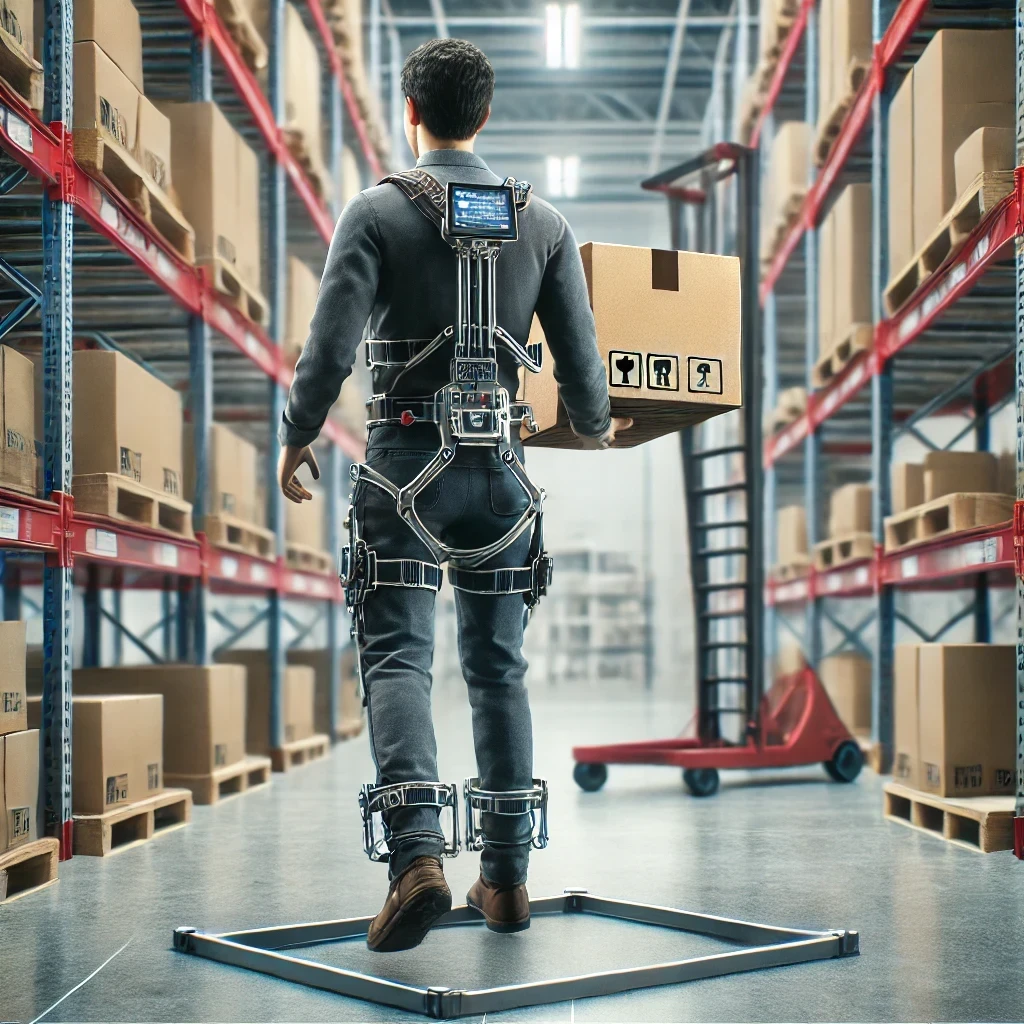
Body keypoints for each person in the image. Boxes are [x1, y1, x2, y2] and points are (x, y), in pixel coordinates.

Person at [277, 37, 631, 954]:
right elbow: (587, 380)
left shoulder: (375, 213)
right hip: (502, 479)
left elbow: (329, 350)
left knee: (397, 657)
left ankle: (417, 862)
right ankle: (507, 882)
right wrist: (593, 424)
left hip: (401, 465)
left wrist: (298, 433)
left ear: (411, 112)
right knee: (496, 666)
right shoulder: (543, 225)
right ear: (485, 115)